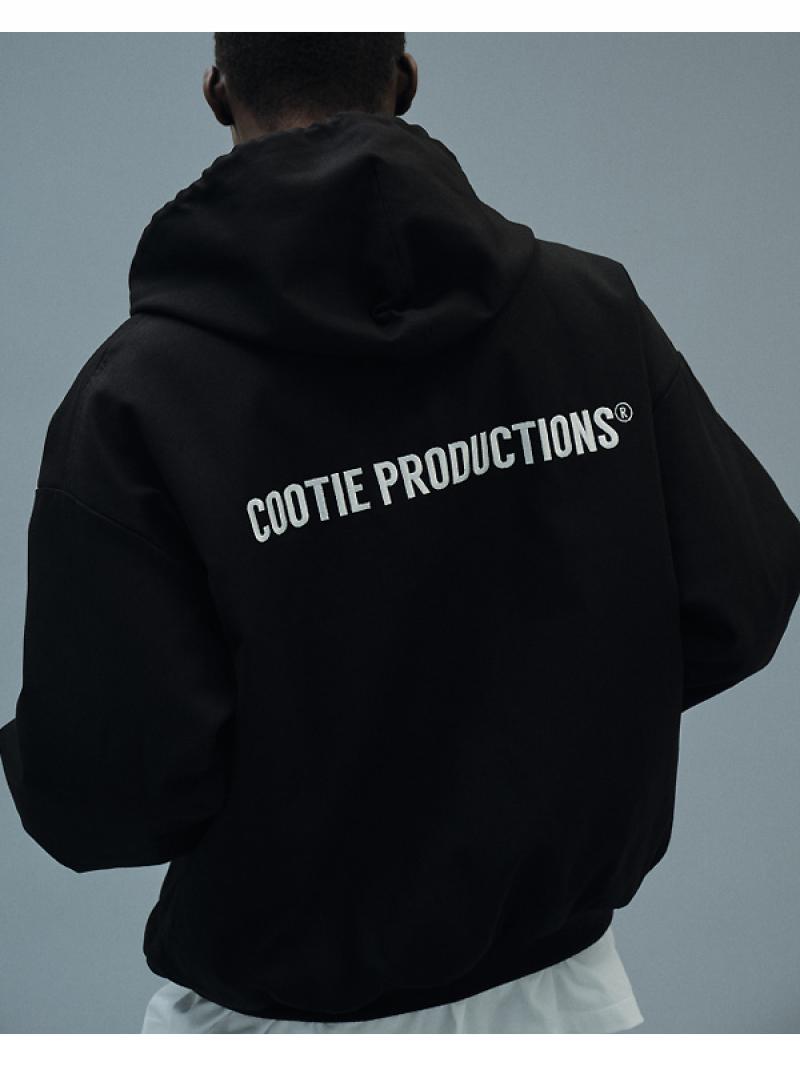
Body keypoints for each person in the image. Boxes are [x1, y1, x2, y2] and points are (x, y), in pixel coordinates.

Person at [1, 32, 798, 1036]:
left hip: (279, 1024)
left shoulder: (136, 403)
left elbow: (105, 797)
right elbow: (741, 595)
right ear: (405, 78)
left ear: (218, 89)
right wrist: (536, 723)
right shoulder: (592, 314)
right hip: (565, 1008)